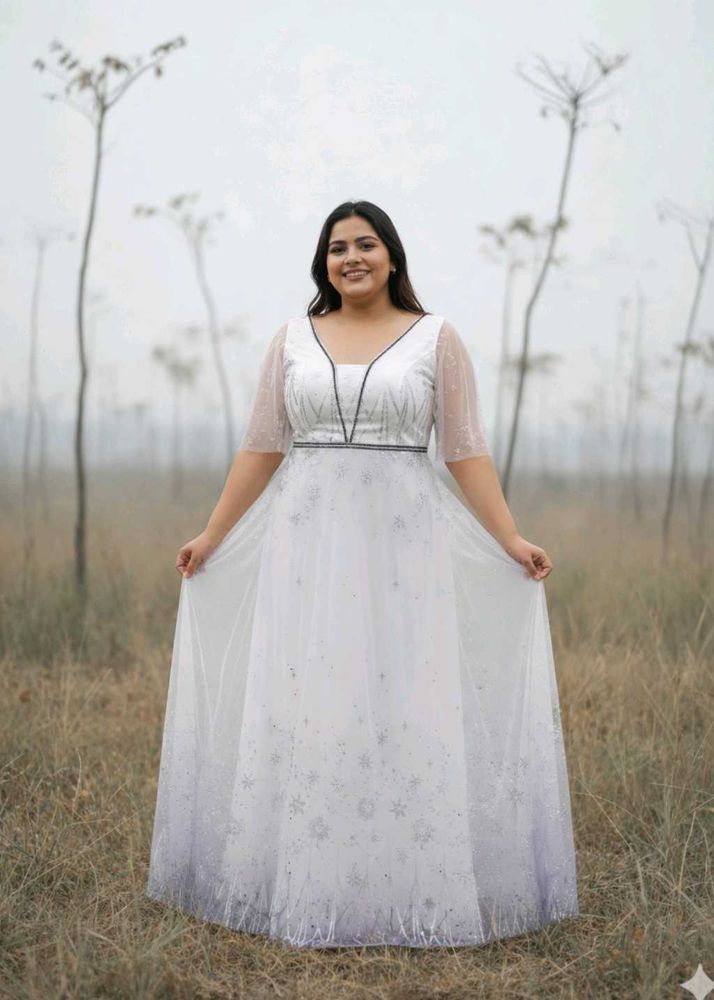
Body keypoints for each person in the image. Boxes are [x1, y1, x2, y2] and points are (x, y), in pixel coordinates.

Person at [146, 199, 579, 949]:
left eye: (366, 244)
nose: (351, 257)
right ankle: (308, 887)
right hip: (305, 548)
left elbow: (465, 450)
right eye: (337, 247)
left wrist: (509, 537)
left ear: (392, 256)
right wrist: (213, 533)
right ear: (323, 263)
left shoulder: (435, 339)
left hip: (404, 549)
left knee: (405, 695)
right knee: (309, 696)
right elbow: (262, 447)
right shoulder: (291, 340)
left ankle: (412, 891)